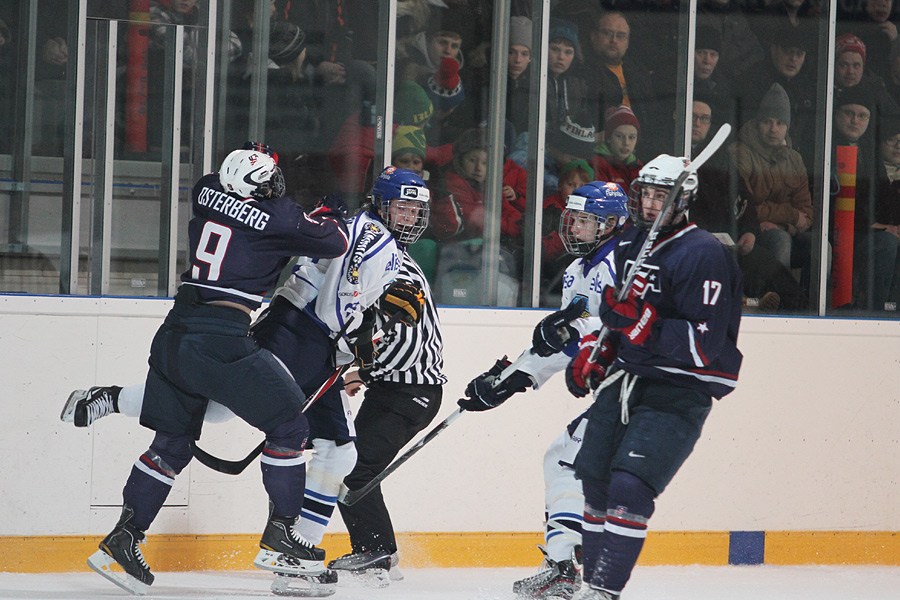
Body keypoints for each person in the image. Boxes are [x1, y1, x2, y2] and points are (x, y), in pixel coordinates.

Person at [59, 144, 351, 595]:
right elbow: (336, 241)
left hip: (174, 332)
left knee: (171, 445)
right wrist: (329, 212)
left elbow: (232, 185)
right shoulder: (277, 217)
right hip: (220, 337)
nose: (277, 187)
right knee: (291, 426)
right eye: (270, 182)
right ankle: (282, 539)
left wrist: (254, 170)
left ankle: (123, 537)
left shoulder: (205, 190)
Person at [568, 155, 744, 600]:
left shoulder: (705, 253)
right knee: (595, 481)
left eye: (660, 196)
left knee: (629, 488)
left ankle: (603, 591)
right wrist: (600, 352)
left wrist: (642, 324)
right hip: (629, 378)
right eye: (644, 193)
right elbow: (621, 321)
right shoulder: (632, 246)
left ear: (682, 200)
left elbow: (704, 345)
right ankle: (589, 584)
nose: (649, 204)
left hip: (679, 388)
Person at [458, 181, 629, 600]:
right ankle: (569, 559)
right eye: (573, 218)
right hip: (611, 391)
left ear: (610, 224)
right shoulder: (578, 271)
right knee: (565, 460)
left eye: (585, 220)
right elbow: (564, 342)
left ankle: (564, 566)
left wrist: (575, 327)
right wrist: (512, 378)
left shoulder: (624, 264)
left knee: (567, 461)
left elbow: (622, 326)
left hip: (635, 387)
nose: (574, 227)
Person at [329, 249, 446, 585]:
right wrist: (364, 374)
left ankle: (375, 552)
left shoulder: (398, 270)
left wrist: (363, 371)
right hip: (395, 391)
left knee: (355, 468)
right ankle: (382, 554)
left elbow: (407, 347)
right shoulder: (389, 263)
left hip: (410, 394)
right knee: (352, 466)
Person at [730, 83, 814, 288]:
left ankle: (807, 306)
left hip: (784, 230)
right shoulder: (739, 153)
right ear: (757, 123)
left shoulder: (795, 159)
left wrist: (782, 224)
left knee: (819, 247)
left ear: (788, 127)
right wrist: (790, 216)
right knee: (780, 240)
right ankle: (778, 303)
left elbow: (807, 215)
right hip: (748, 235)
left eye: (780, 123)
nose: (774, 129)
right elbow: (745, 209)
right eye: (767, 122)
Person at [590, 105, 644, 191]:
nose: (626, 143)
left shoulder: (639, 168)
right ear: (608, 138)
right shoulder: (598, 164)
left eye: (631, 137)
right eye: (619, 136)